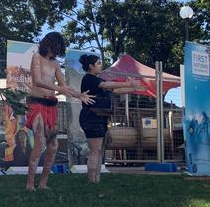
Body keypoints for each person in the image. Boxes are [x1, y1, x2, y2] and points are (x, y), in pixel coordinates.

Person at [24, 32, 94, 191]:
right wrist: (58, 88)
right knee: (40, 143)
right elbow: (37, 81)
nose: (55, 52)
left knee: (53, 146)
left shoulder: (55, 64)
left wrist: (79, 95)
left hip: (51, 106)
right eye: (54, 48)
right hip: (36, 104)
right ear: (47, 44)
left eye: (58, 50)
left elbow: (64, 86)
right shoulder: (36, 57)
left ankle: (43, 183)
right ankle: (29, 184)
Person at [78, 54, 145, 183]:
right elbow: (106, 85)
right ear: (91, 66)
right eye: (98, 63)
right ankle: (92, 181)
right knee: (95, 150)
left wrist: (133, 87)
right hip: (91, 118)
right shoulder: (89, 79)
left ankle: (96, 180)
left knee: (99, 150)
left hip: (100, 118)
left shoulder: (97, 81)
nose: (101, 65)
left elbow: (115, 90)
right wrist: (127, 82)